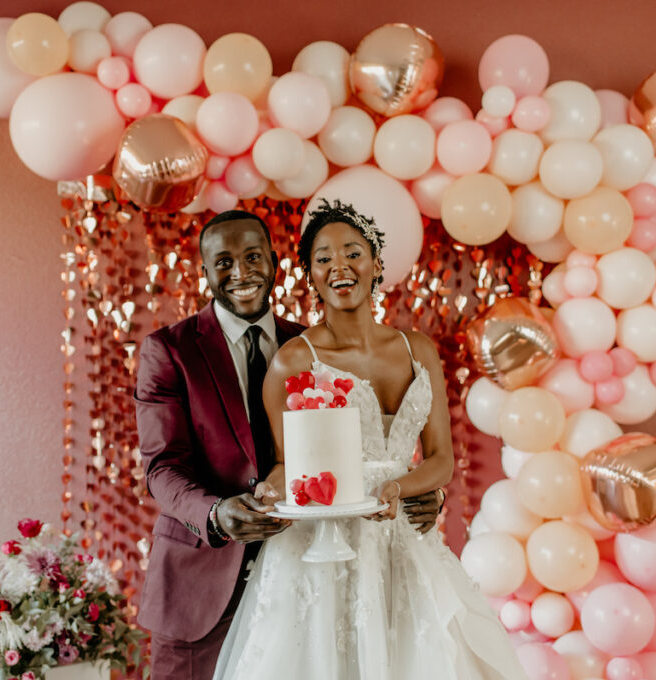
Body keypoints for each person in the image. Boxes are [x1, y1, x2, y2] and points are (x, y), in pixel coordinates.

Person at [212, 200, 527, 680]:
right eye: (323, 258)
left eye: (353, 252)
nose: (339, 265)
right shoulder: (293, 361)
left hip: (403, 539)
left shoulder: (417, 348)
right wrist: (269, 493)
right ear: (311, 277)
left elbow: (442, 459)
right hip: (322, 549)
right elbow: (286, 464)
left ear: (377, 265)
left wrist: (399, 489)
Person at [133, 210, 445, 680]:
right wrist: (217, 514)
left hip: (314, 572)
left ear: (276, 263)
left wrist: (423, 492)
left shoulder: (311, 347)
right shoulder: (170, 351)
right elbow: (161, 469)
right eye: (224, 262)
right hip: (204, 580)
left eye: (253, 256)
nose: (241, 272)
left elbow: (363, 450)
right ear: (205, 272)